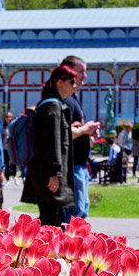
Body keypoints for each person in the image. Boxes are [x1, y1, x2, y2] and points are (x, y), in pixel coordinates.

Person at [21, 66, 78, 227]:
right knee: (52, 222)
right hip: (48, 176)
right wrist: (55, 174)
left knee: (52, 220)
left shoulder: (52, 104)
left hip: (46, 174)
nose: (75, 85)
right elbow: (52, 142)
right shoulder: (52, 106)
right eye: (72, 81)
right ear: (59, 82)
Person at [60, 56, 102, 221]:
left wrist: (86, 132)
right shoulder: (66, 100)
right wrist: (85, 129)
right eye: (81, 71)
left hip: (78, 165)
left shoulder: (72, 99)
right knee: (74, 216)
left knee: (80, 212)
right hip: (72, 166)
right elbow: (61, 133)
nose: (85, 75)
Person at [2, 111, 18, 184]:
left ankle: (14, 176)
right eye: (7, 117)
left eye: (10, 117)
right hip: (5, 147)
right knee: (6, 163)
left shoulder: (14, 125)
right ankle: (7, 178)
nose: (8, 118)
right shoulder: (3, 127)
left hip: (13, 147)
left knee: (14, 162)